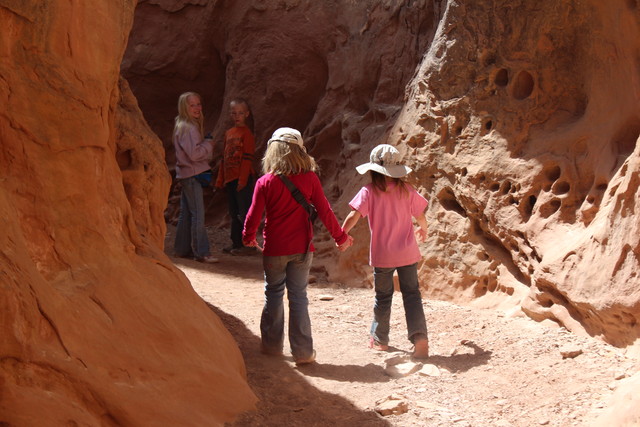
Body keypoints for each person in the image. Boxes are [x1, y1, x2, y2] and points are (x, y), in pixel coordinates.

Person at [243, 127, 353, 365]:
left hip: (274, 248)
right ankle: (303, 351)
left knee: (273, 292)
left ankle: (272, 346)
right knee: (298, 297)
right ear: (299, 151)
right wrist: (341, 237)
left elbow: (254, 215)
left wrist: (247, 236)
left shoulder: (265, 182)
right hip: (302, 249)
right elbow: (325, 210)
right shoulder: (310, 178)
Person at [342, 144, 429, 358]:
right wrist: (423, 228)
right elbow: (420, 215)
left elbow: (353, 216)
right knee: (412, 295)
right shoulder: (406, 189)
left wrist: (342, 234)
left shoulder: (368, 192)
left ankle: (380, 340)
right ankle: (419, 338)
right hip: (407, 252)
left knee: (383, 296)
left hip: (382, 255)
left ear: (373, 170)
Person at [172, 92, 219, 263]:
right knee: (198, 214)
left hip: (186, 174)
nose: (197, 108)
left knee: (186, 213)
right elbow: (193, 154)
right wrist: (208, 145)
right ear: (184, 107)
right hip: (192, 174)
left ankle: (181, 249)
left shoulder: (182, 125)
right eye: (192, 105)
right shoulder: (189, 128)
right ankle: (202, 252)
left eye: (198, 104)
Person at [216, 98, 256, 255]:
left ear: (246, 114)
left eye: (240, 113)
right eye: (234, 113)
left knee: (244, 212)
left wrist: (242, 180)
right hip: (230, 179)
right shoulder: (228, 133)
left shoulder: (247, 134)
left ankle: (248, 245)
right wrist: (220, 179)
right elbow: (224, 158)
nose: (237, 116)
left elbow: (247, 158)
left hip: (242, 179)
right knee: (234, 212)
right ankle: (236, 243)